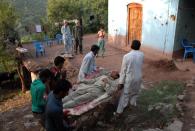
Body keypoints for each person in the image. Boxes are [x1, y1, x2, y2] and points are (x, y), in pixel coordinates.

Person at [115, 40, 144, 115]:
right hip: (138, 77)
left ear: (131, 45)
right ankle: (131, 107)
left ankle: (119, 112)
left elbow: (123, 70)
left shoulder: (127, 56)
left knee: (125, 95)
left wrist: (121, 82)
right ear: (139, 46)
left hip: (130, 78)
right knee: (135, 93)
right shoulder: (142, 55)